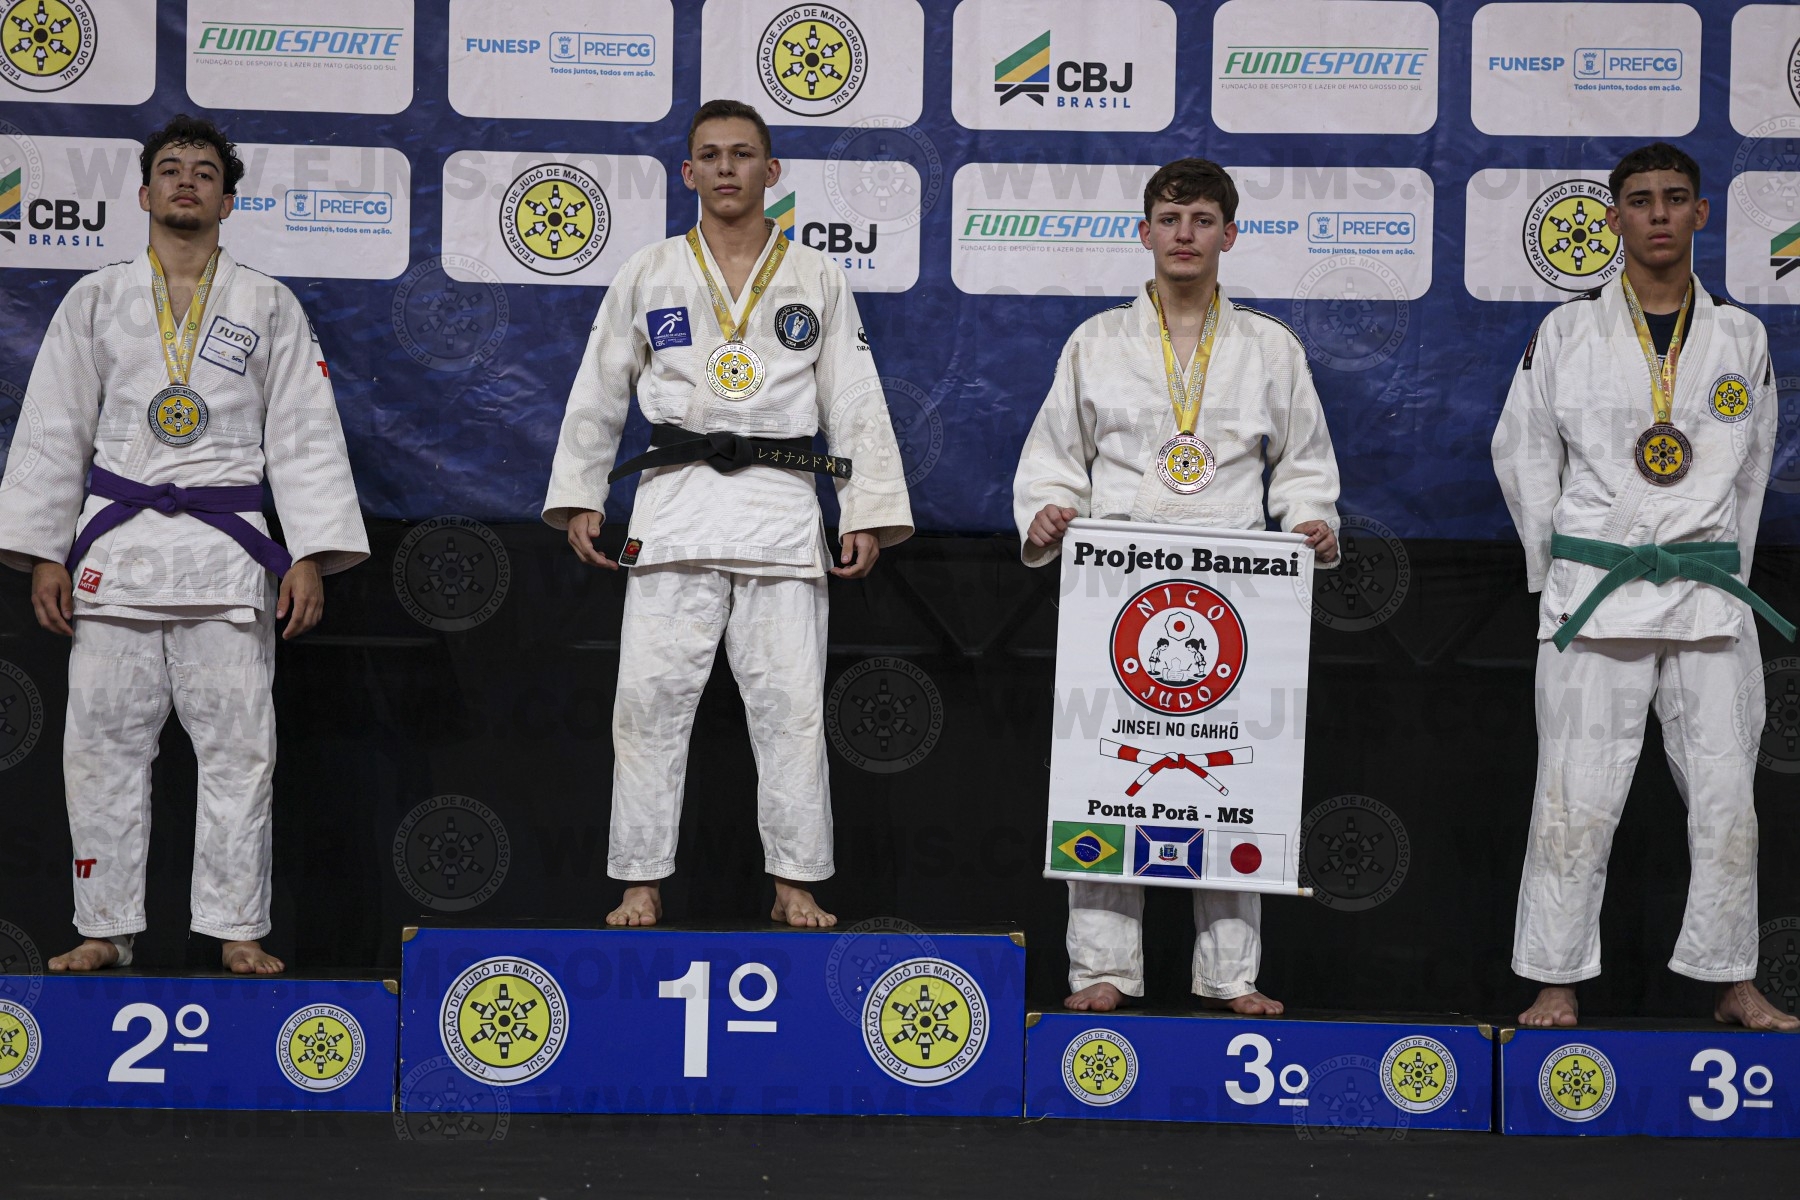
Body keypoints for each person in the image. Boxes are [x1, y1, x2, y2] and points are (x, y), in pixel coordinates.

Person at [0, 115, 368, 974]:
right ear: (143, 193)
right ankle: (104, 928)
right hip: (117, 559)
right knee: (100, 754)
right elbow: (54, 427)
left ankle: (236, 927)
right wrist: (46, 549)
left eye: (205, 171)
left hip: (226, 562)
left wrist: (309, 553)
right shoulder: (95, 299)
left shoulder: (268, 303)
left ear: (228, 201)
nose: (187, 181)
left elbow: (306, 434)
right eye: (170, 169)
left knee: (240, 754)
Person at [543, 99, 912, 929]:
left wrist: (864, 508)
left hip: (781, 507)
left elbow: (852, 398)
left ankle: (794, 881)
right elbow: (599, 386)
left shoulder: (816, 275)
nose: (725, 168)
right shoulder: (648, 271)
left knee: (791, 711)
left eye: (742, 154)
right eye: (709, 155)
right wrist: (582, 493)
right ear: (688, 172)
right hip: (675, 506)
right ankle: (640, 880)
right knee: (647, 705)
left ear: (770, 171)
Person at [1013, 158, 1341, 1014]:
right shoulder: (1095, 342)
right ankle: (1102, 968)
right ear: (1145, 231)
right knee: (1105, 768)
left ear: (1229, 233)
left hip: (1237, 587)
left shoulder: (1270, 347)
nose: (1184, 234)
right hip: (1116, 584)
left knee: (1233, 779)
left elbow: (1303, 463)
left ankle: (1231, 974)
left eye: (1201, 219)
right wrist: (1048, 512)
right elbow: (1055, 457)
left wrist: (1311, 519)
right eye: (1169, 218)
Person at [1494, 142, 1797, 1032]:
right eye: (1640, 199)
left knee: (1728, 802)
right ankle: (1554, 980)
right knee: (1573, 796)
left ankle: (1732, 978)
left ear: (1700, 213)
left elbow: (1753, 471)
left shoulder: (1741, 337)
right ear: (1614, 218)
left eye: (1674, 198)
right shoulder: (1566, 333)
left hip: (1709, 594)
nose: (1658, 213)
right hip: (1596, 591)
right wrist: (1554, 571)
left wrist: (1729, 571)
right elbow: (1522, 451)